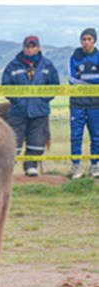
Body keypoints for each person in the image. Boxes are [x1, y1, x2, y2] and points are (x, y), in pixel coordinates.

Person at [2, 35, 60, 177]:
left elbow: (55, 86)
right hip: (18, 111)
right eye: (27, 46)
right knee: (14, 140)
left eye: (33, 46)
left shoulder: (47, 65)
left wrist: (42, 99)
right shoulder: (13, 65)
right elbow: (6, 87)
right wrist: (18, 101)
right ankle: (8, 170)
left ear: (38, 48)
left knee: (37, 140)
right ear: (23, 48)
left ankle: (31, 166)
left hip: (40, 111)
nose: (30, 49)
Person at [69, 27, 99, 179]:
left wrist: (85, 77)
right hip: (77, 103)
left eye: (89, 39)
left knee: (96, 136)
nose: (86, 42)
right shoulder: (74, 56)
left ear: (94, 40)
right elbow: (73, 79)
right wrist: (93, 78)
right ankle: (76, 166)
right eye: (84, 39)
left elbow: (82, 78)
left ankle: (95, 166)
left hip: (95, 103)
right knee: (76, 136)